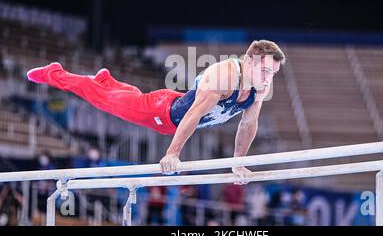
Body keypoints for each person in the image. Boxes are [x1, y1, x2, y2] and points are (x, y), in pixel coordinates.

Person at [26, 40, 286, 183]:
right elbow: (193, 115)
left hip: (175, 106)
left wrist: (237, 164)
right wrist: (172, 153)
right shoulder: (224, 76)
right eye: (264, 71)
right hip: (163, 112)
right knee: (103, 101)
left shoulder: (259, 87)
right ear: (248, 61)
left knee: (120, 97)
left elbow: (247, 124)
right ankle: (56, 74)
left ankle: (107, 81)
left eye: (272, 74)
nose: (267, 79)